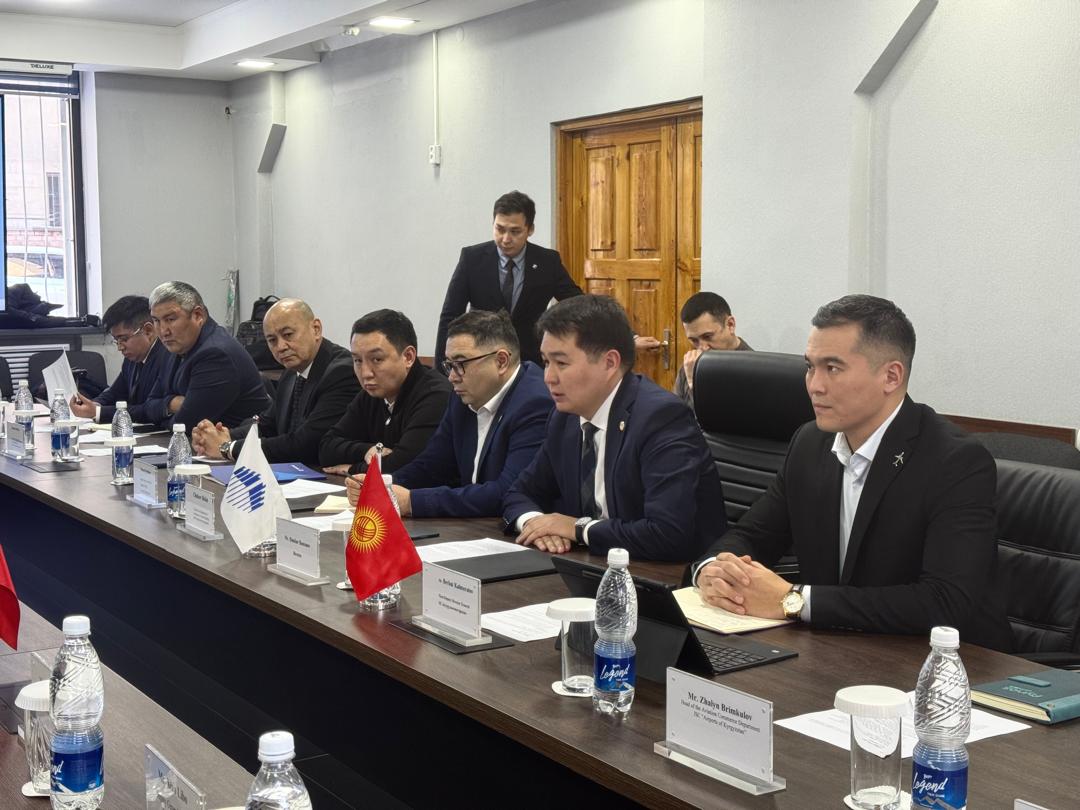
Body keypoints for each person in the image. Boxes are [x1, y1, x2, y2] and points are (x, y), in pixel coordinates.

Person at [693, 294, 1013, 651]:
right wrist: (713, 570)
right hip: (838, 650)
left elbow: (944, 601)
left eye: (832, 368)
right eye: (810, 367)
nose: (814, 385)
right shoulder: (810, 443)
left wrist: (794, 600)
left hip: (949, 665)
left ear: (891, 376)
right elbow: (754, 534)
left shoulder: (955, 461)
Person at [503, 294, 726, 562]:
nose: (548, 377)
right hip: (590, 565)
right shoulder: (565, 418)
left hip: (669, 575)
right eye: (545, 362)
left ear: (609, 363)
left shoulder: (661, 418)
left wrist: (578, 529)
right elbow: (520, 492)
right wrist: (536, 524)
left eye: (561, 363)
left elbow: (667, 533)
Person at [345, 310, 552, 517]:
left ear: (501, 361)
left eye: (460, 364)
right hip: (477, 525)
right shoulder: (463, 396)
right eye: (449, 365)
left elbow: (508, 491)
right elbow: (433, 465)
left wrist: (412, 502)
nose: (452, 377)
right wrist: (380, 485)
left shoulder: (534, 404)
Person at [191, 299, 359, 467]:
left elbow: (306, 444)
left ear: (316, 329)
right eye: (272, 340)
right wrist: (222, 436)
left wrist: (227, 448)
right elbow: (267, 425)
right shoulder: (290, 372)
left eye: (288, 335)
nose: (280, 347)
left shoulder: (342, 372)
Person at [435, 190, 582, 369]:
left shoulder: (547, 262)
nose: (506, 239)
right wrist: (442, 371)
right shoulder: (472, 259)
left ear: (530, 229)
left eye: (515, 231)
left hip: (530, 361)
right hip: (482, 358)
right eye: (500, 229)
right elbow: (450, 315)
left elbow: (577, 304)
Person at [319, 309, 451, 475]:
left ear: (408, 357)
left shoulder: (435, 395)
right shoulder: (371, 394)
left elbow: (403, 465)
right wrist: (366, 450)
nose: (365, 373)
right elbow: (326, 447)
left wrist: (352, 469)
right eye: (358, 360)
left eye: (377, 359)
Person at [142, 281, 270, 430]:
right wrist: (173, 403)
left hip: (238, 442)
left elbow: (184, 425)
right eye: (156, 321)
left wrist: (164, 411)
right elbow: (149, 405)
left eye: (170, 319)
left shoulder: (216, 354)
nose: (163, 331)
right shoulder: (175, 346)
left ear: (198, 315)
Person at [69, 295, 166, 424]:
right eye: (116, 340)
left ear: (148, 331)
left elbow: (149, 410)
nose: (120, 347)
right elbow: (115, 393)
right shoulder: (133, 357)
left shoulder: (167, 358)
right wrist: (94, 404)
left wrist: (98, 412)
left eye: (124, 339)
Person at [674, 291, 753, 410]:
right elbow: (674, 414)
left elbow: (725, 419)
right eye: (694, 340)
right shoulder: (691, 364)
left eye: (707, 336)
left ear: (730, 325)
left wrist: (695, 385)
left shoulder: (753, 369)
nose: (702, 347)